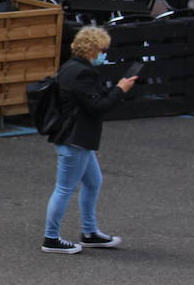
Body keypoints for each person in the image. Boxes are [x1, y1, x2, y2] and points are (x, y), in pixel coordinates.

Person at [41, 25, 137, 254]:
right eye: (103, 50)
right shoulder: (81, 73)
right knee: (64, 188)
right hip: (75, 138)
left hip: (78, 138)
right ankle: (51, 238)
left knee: (93, 182)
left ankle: (90, 232)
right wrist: (120, 90)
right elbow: (97, 106)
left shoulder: (73, 68)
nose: (105, 54)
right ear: (92, 50)